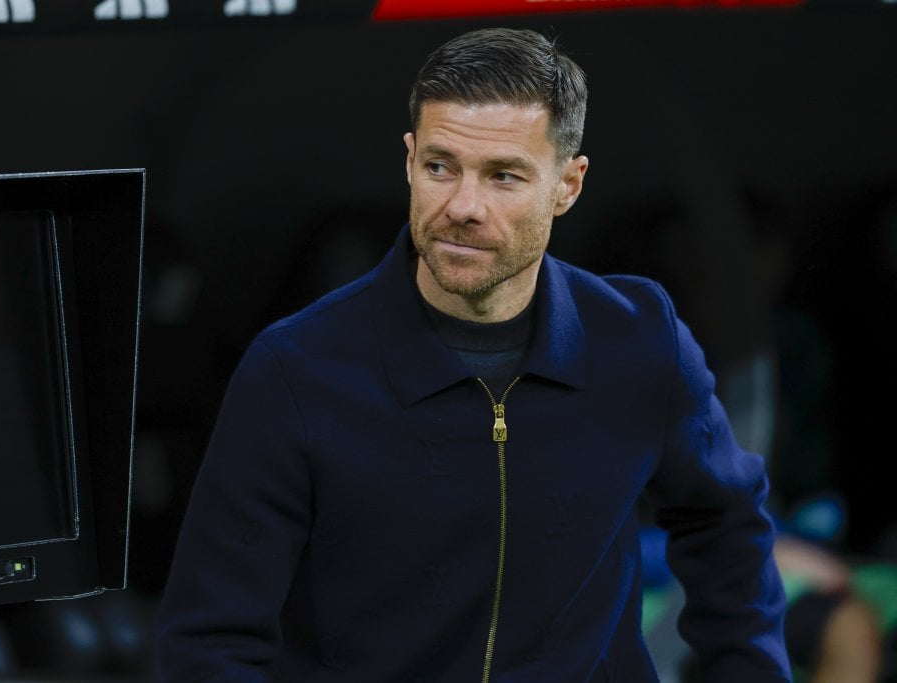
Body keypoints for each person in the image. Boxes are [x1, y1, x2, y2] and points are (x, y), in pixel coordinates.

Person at [156, 27, 791, 681]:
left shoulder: (639, 338)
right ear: (408, 161)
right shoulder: (296, 371)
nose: (462, 205)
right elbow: (210, 640)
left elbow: (727, 525)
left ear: (567, 186)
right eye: (440, 166)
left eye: (503, 176)